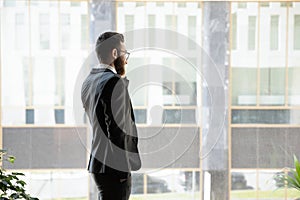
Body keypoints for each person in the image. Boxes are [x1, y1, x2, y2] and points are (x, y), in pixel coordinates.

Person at [81, 32, 141, 200]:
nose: (126, 59)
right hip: (114, 168)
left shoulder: (89, 81)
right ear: (115, 54)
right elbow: (117, 130)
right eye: (124, 54)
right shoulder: (114, 82)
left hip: (98, 164)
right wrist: (122, 169)